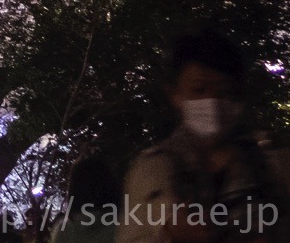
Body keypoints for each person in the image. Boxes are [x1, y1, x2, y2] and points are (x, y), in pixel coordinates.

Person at [118, 30, 290, 243]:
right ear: (174, 94)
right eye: (199, 89)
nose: (212, 101)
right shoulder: (150, 170)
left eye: (224, 91)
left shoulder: (275, 162)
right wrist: (168, 234)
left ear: (238, 95)